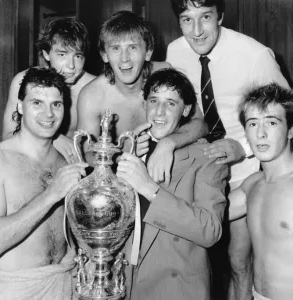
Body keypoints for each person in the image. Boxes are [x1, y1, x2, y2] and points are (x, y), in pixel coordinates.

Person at [166, 0, 290, 298]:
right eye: (187, 19)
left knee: (238, 259)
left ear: (220, 15)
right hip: (201, 167)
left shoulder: (254, 55)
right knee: (193, 252)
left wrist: (244, 146)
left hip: (246, 168)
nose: (196, 31)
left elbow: (286, 115)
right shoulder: (174, 51)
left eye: (205, 17)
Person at [116, 68, 228, 300]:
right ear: (144, 103)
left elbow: (210, 230)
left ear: (186, 109)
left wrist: (149, 188)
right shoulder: (130, 149)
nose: (159, 111)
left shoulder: (206, 157)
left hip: (175, 289)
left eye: (171, 103)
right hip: (125, 283)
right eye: (154, 101)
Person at [77, 10, 207, 185]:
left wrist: (167, 144)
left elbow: (200, 124)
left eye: (132, 47)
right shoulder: (92, 96)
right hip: (117, 184)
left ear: (148, 52)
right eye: (116, 48)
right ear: (104, 55)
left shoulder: (163, 74)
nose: (125, 59)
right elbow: (85, 155)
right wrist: (120, 154)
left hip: (166, 177)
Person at [0, 67, 88, 299]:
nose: (49, 114)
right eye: (37, 103)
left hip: (65, 283)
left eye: (56, 104)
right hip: (17, 289)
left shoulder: (67, 161)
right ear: (20, 107)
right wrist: (51, 194)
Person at [228, 83, 293, 300]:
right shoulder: (252, 185)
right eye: (253, 123)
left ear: (291, 130)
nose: (261, 133)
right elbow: (205, 218)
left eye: (272, 123)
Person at [2, 18, 96, 164]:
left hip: (77, 168)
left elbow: (94, 149)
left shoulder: (93, 87)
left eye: (77, 56)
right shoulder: (25, 81)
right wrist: (54, 138)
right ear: (46, 54)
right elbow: (8, 137)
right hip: (32, 163)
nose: (71, 66)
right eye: (62, 54)